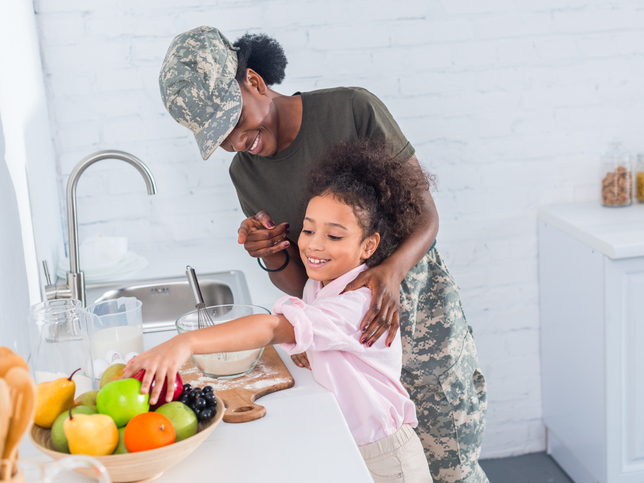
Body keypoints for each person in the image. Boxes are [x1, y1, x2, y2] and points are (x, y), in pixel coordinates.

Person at [158, 26, 487, 483]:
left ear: (253, 82)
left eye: (234, 121)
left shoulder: (351, 109)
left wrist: (390, 271)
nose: (235, 142)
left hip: (419, 318)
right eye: (220, 137)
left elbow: (427, 217)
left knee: (451, 464)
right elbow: (308, 284)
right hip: (346, 343)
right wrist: (272, 256)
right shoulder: (246, 176)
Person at [124, 140, 433, 482]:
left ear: (368, 246)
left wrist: (184, 344)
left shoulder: (359, 300)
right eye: (310, 228)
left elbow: (272, 328)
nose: (314, 244)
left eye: (334, 236)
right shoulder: (322, 283)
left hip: (385, 457)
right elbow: (314, 330)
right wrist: (310, 345)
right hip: (349, 441)